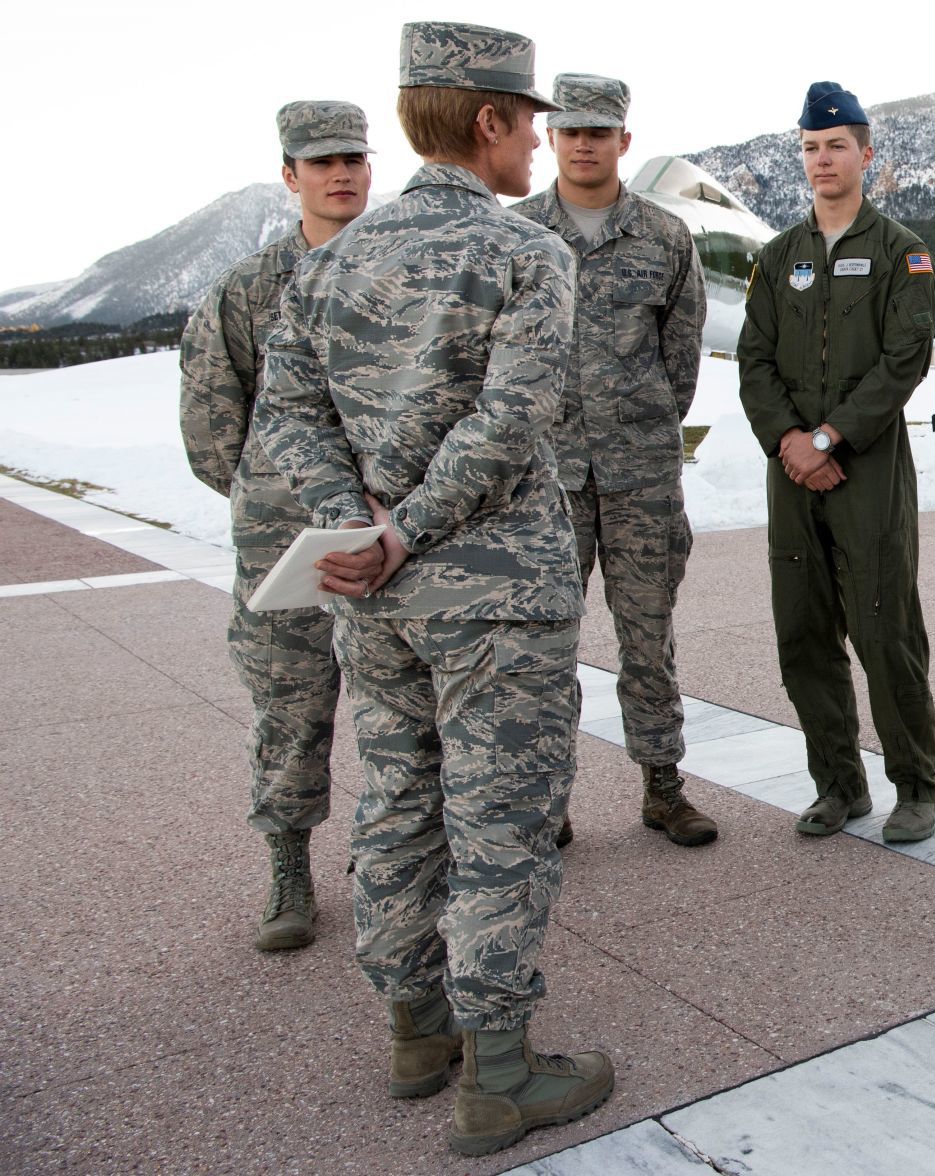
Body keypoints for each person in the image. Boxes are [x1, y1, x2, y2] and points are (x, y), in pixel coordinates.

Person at [254, 21, 611, 1156]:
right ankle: (498, 1075)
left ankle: (415, 1029)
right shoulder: (525, 254)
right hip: (494, 597)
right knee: (501, 821)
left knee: (400, 804)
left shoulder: (331, 262)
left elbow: (288, 417)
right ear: (492, 121)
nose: (542, 143)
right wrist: (406, 529)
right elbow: (511, 421)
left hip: (375, 601)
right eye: (534, 121)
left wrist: (351, 526)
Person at [179, 100, 374, 952]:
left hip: (388, 531)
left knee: (401, 705)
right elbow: (212, 420)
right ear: (289, 175)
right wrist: (270, 497)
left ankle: (388, 854)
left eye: (355, 158)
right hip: (285, 542)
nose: (342, 173)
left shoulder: (397, 271)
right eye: (322, 161)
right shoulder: (249, 289)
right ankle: (289, 864)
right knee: (291, 704)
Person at [512, 73, 714, 850]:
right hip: (542, 481)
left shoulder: (664, 237)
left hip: (640, 477)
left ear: (624, 140)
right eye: (570, 131)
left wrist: (646, 426)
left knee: (648, 637)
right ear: (554, 139)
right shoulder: (520, 235)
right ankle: (548, 802)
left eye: (600, 131)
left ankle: (663, 789)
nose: (585, 143)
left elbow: (682, 357)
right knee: (541, 643)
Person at [737, 82, 935, 843]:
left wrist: (828, 439)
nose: (823, 160)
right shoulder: (778, 256)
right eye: (810, 148)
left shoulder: (901, 252)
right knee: (802, 633)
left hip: (868, 471)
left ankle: (916, 787)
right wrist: (790, 442)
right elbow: (753, 360)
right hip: (791, 475)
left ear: (866, 155)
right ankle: (838, 785)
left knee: (885, 631)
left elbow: (903, 359)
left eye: (836, 147)